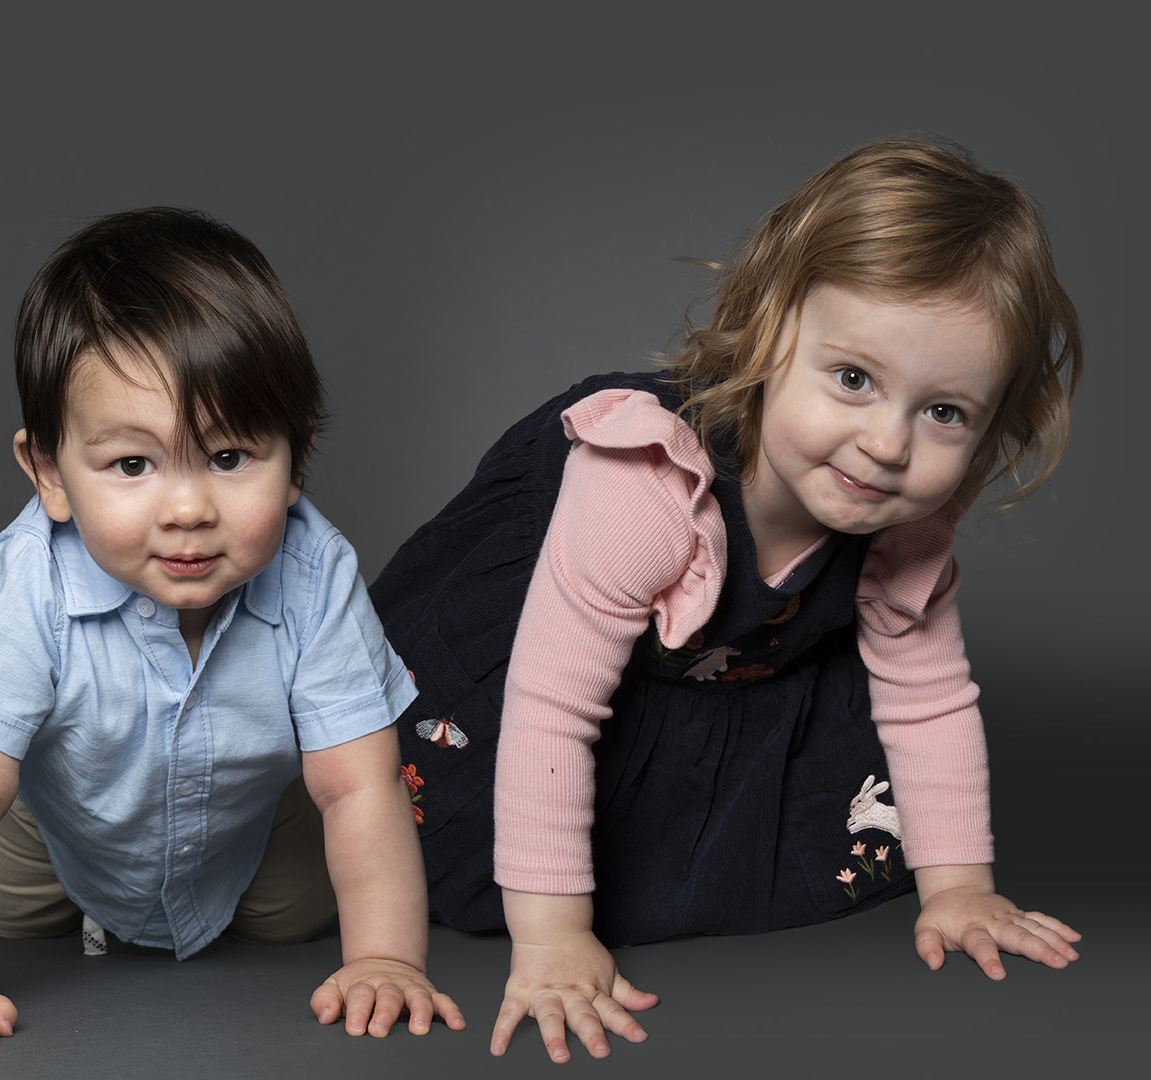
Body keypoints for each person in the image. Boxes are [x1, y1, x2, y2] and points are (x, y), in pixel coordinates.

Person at [371, 138, 1085, 1063]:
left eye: (943, 412)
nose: (886, 445)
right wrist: (552, 941)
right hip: (536, 682)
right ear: (770, 328)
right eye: (854, 379)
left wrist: (959, 887)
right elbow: (551, 706)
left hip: (715, 686)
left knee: (739, 838)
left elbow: (929, 696)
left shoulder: (904, 526)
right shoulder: (649, 487)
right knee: (448, 825)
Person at [0, 207, 463, 1051]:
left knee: (300, 917)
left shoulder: (315, 570)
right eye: (133, 464)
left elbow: (359, 786)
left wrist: (389, 959)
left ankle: (267, 887)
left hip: (249, 823)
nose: (188, 510)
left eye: (228, 457)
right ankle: (68, 882)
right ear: (50, 474)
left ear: (296, 457)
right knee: (8, 908)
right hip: (66, 817)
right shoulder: (25, 581)